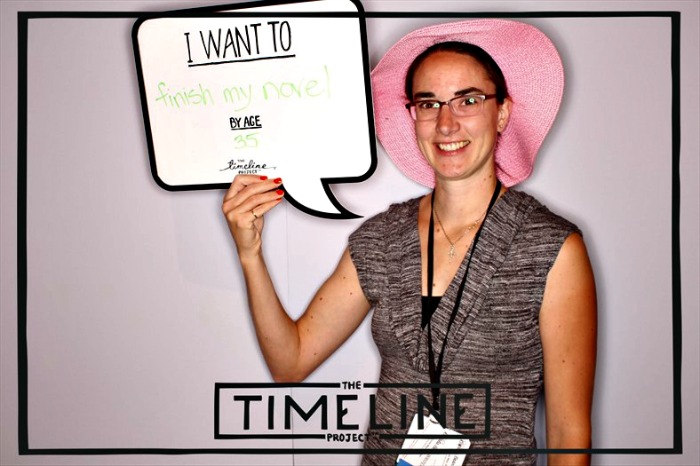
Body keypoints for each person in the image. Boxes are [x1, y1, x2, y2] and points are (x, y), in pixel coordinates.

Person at [222, 19, 597, 466]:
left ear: (501, 113)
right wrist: (250, 255)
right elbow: (292, 362)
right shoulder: (381, 239)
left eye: (468, 100)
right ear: (413, 117)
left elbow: (568, 431)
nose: (446, 122)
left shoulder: (552, 249)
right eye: (428, 103)